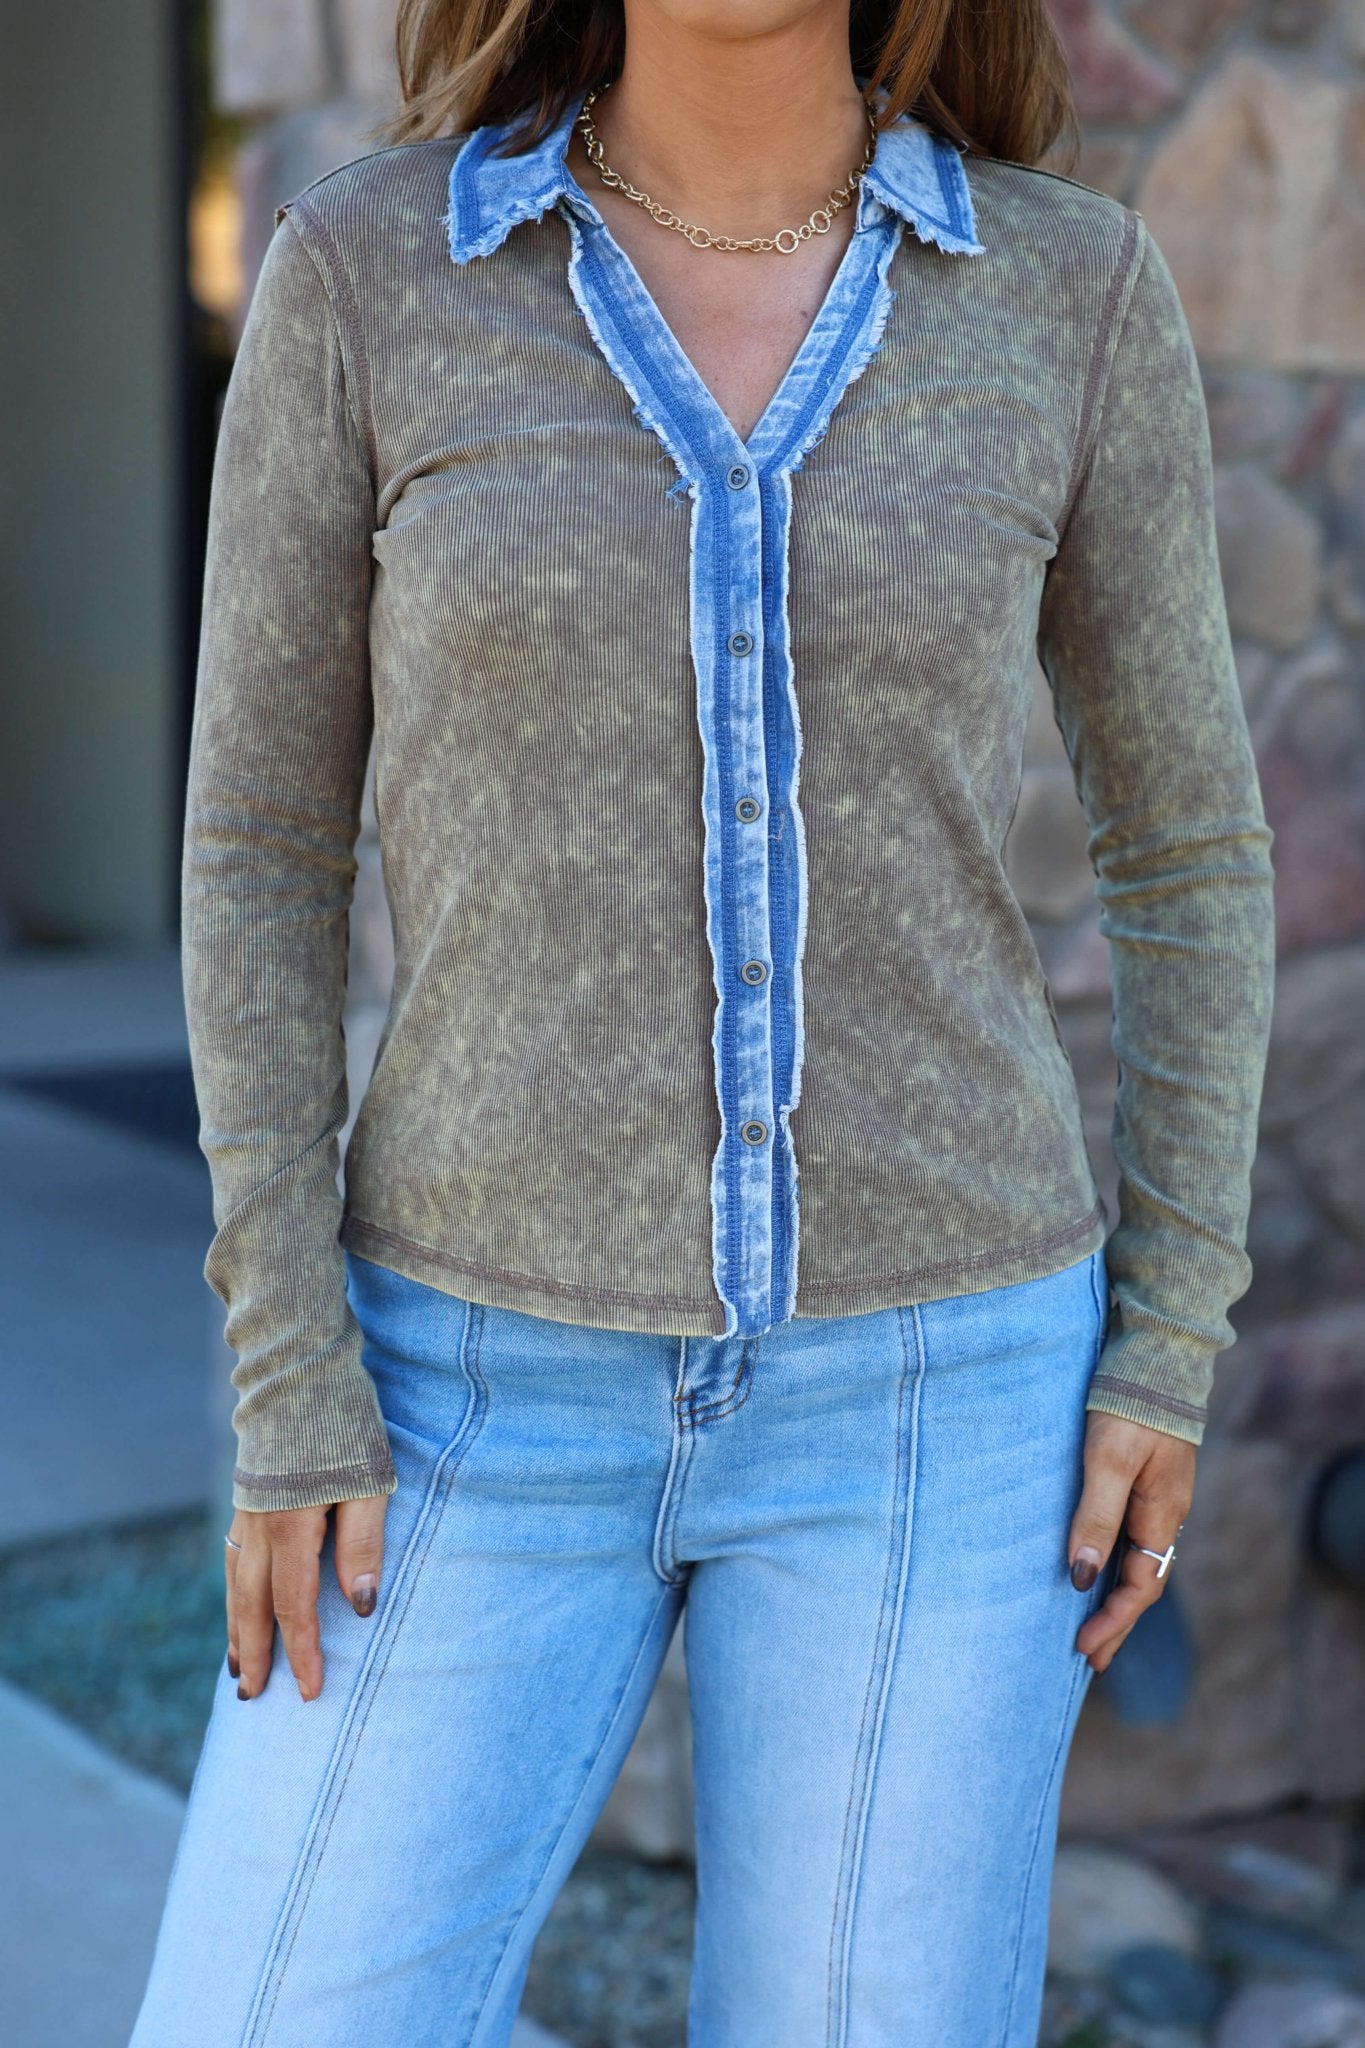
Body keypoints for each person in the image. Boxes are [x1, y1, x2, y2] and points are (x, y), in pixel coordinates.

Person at [131, 1, 1276, 2043]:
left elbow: (1188, 848)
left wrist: (1167, 1333)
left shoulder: (1062, 293)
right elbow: (255, 851)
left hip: (938, 1397)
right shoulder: (370, 273)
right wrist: (287, 1359)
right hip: (453, 1389)